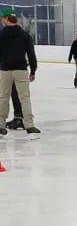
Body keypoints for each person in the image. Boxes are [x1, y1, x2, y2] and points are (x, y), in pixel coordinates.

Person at [0, 8, 40, 138]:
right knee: (25, 99)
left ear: (6, 19)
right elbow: (31, 54)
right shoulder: (24, 35)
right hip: (21, 70)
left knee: (3, 98)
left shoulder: (1, 35)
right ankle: (29, 125)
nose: (1, 21)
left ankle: (0, 125)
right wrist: (33, 70)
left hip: (5, 70)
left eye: (2, 19)